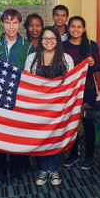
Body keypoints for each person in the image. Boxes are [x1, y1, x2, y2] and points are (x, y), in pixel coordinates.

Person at [0, 9, 35, 186]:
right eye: (7, 23)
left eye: (14, 23)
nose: (11, 27)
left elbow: (30, 73)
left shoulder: (28, 45)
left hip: (19, 97)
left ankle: (15, 168)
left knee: (16, 133)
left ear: (19, 24)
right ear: (2, 23)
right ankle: (0, 168)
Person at [24, 26, 74, 186]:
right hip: (39, 107)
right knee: (43, 139)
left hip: (59, 107)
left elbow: (71, 82)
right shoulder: (32, 58)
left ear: (58, 41)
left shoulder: (66, 58)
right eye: (45, 38)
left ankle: (53, 169)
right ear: (41, 41)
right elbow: (27, 81)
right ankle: (45, 169)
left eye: (52, 38)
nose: (48, 41)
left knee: (56, 138)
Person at [62, 16, 100, 170]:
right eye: (73, 26)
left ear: (84, 29)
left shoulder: (91, 45)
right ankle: (74, 154)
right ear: (68, 28)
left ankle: (89, 155)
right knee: (71, 123)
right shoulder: (63, 46)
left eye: (79, 27)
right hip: (69, 90)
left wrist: (93, 63)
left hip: (88, 90)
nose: (76, 29)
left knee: (87, 123)